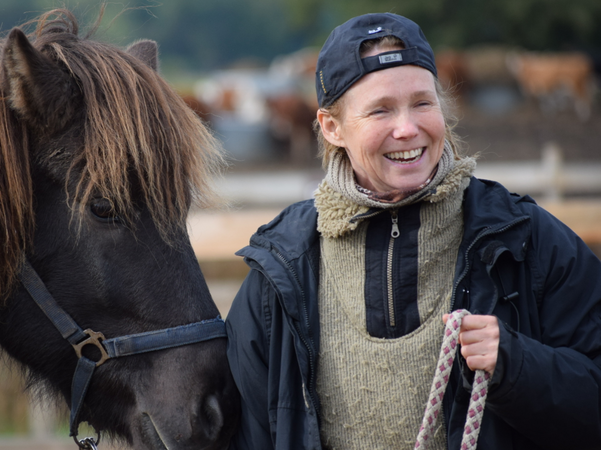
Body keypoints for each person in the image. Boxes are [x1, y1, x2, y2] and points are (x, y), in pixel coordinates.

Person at [225, 12, 601, 450]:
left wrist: (517, 367)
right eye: (380, 110)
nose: (408, 129)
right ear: (332, 127)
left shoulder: (526, 240)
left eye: (423, 103)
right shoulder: (280, 270)